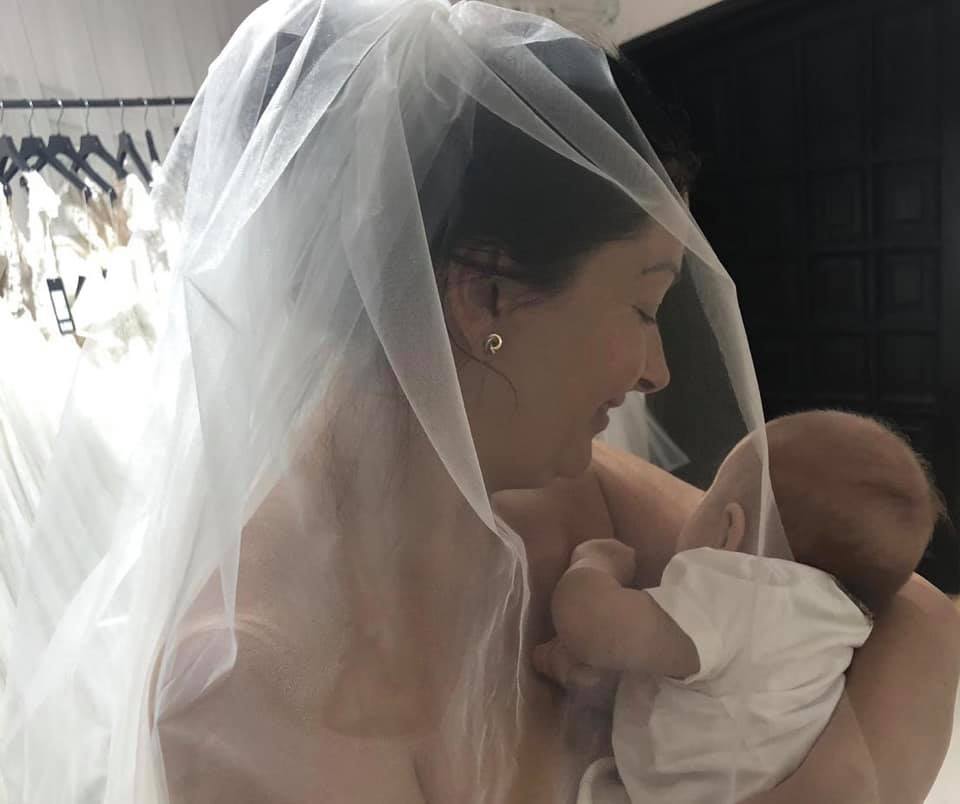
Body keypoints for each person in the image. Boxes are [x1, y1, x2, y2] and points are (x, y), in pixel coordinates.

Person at [2, 3, 958, 804]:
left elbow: (914, 617)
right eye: (643, 304)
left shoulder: (574, 491)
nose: (659, 370)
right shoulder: (243, 687)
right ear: (485, 295)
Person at [534, 410, 942, 803]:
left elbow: (596, 625)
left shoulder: (736, 592)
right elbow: (718, 694)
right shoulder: (839, 624)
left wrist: (596, 563)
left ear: (728, 529)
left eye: (705, 500)